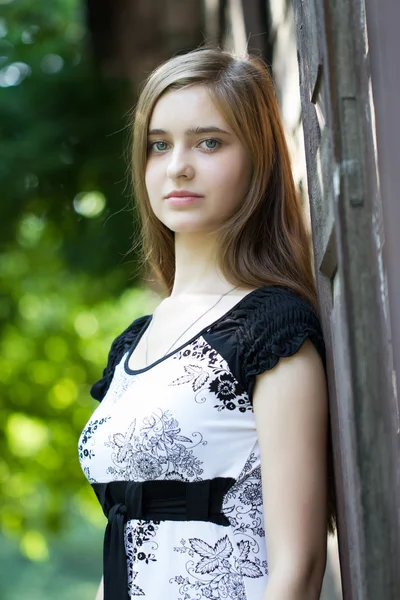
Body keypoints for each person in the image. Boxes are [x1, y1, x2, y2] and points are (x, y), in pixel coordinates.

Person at [78, 46, 337, 600]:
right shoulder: (133, 345)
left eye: (209, 142)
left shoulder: (270, 329)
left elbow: (301, 566)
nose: (178, 166)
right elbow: (124, 541)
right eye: (159, 145)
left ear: (259, 157)